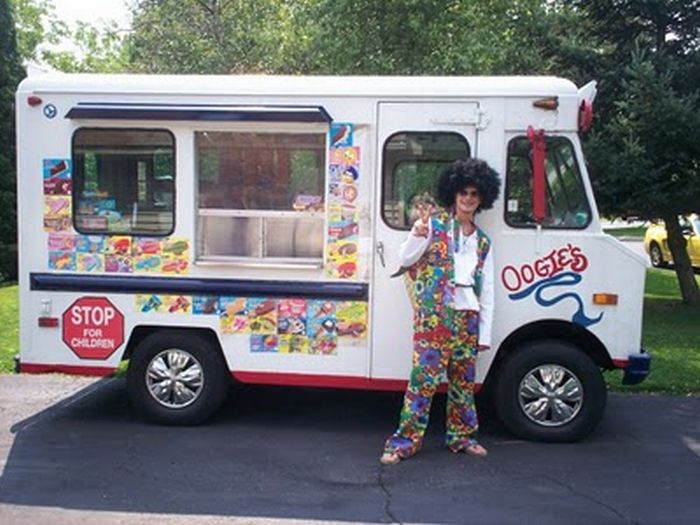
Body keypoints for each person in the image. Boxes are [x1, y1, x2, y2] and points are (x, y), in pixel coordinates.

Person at [380, 158, 501, 465]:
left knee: (463, 384)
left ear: (482, 198)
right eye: (463, 192)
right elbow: (405, 258)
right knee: (423, 381)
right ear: (454, 194)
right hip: (435, 318)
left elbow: (486, 292)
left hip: (467, 319)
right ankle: (404, 442)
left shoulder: (483, 242)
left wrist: (483, 333)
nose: (468, 198)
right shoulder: (433, 227)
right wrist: (417, 233)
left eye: (474, 193)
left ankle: (462, 437)